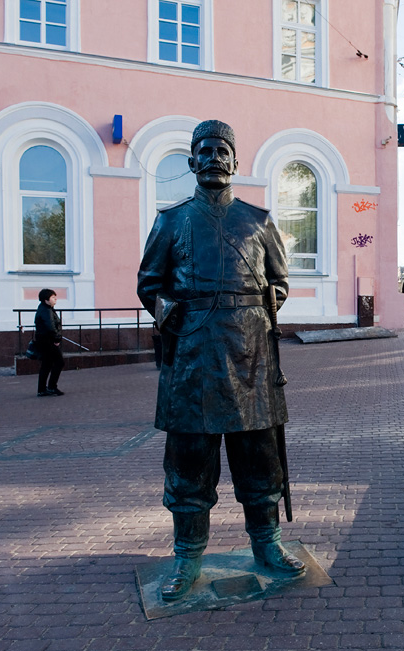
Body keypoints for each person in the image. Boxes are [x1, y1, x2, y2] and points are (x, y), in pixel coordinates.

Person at [137, 119, 303, 603]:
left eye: (222, 151)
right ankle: (187, 558)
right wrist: (169, 310)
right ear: (191, 162)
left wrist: (273, 295)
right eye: (204, 151)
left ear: (234, 160)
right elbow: (150, 283)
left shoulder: (258, 220)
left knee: (260, 460)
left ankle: (267, 545)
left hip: (250, 356)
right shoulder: (170, 221)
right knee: (189, 462)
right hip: (193, 358)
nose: (213, 157)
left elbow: (281, 280)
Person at [34, 288, 64, 397]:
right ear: (46, 300)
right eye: (53, 297)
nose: (55, 299)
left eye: (55, 297)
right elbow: (51, 327)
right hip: (48, 341)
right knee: (59, 362)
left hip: (43, 340)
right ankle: (51, 387)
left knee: (46, 364)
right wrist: (57, 339)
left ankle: (42, 389)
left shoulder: (45, 308)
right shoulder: (46, 310)